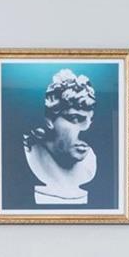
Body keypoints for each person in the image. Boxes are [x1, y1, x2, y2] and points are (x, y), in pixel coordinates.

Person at [22, 69, 97, 204]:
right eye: (74, 118)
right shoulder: (31, 152)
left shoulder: (90, 162)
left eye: (90, 120)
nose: (86, 128)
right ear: (49, 120)